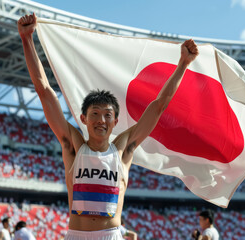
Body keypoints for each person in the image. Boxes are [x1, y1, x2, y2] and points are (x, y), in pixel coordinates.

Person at [18, 12, 198, 240]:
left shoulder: (123, 150)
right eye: (95, 114)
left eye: (107, 115)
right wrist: (27, 39)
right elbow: (44, 91)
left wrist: (183, 63)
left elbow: (159, 105)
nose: (101, 120)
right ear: (83, 119)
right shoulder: (72, 146)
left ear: (115, 122)